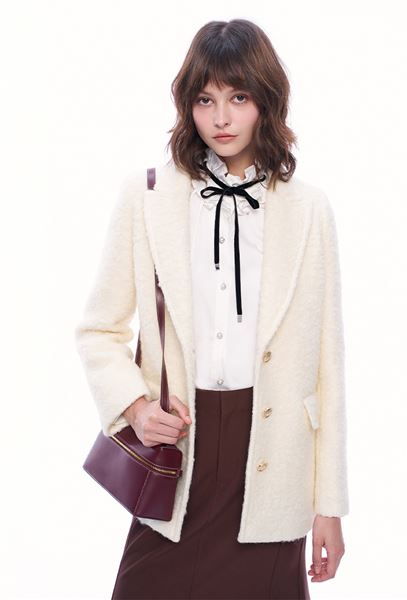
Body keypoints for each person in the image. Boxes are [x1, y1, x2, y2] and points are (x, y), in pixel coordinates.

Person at [74, 18, 349, 600]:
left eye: (238, 98)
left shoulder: (309, 211)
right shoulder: (147, 197)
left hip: (272, 464)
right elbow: (98, 329)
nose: (221, 118)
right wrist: (135, 407)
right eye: (205, 100)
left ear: (265, 102)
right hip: (181, 453)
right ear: (188, 106)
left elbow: (328, 368)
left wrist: (330, 505)